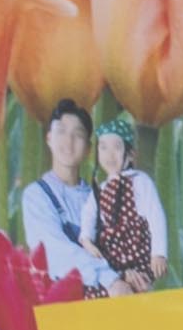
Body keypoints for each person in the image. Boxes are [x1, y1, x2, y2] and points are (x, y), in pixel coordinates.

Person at [21, 99, 118, 293]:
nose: (69, 141)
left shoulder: (100, 199)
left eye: (78, 134)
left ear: (88, 149)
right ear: (49, 138)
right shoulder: (36, 195)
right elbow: (53, 251)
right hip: (61, 299)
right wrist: (109, 279)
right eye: (61, 131)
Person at [89, 114, 170, 293]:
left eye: (117, 147)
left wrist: (159, 253)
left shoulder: (140, 181)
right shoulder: (100, 189)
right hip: (111, 254)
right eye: (103, 148)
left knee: (139, 286)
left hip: (136, 250)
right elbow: (89, 217)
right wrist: (86, 239)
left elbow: (155, 215)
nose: (110, 155)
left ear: (132, 155)